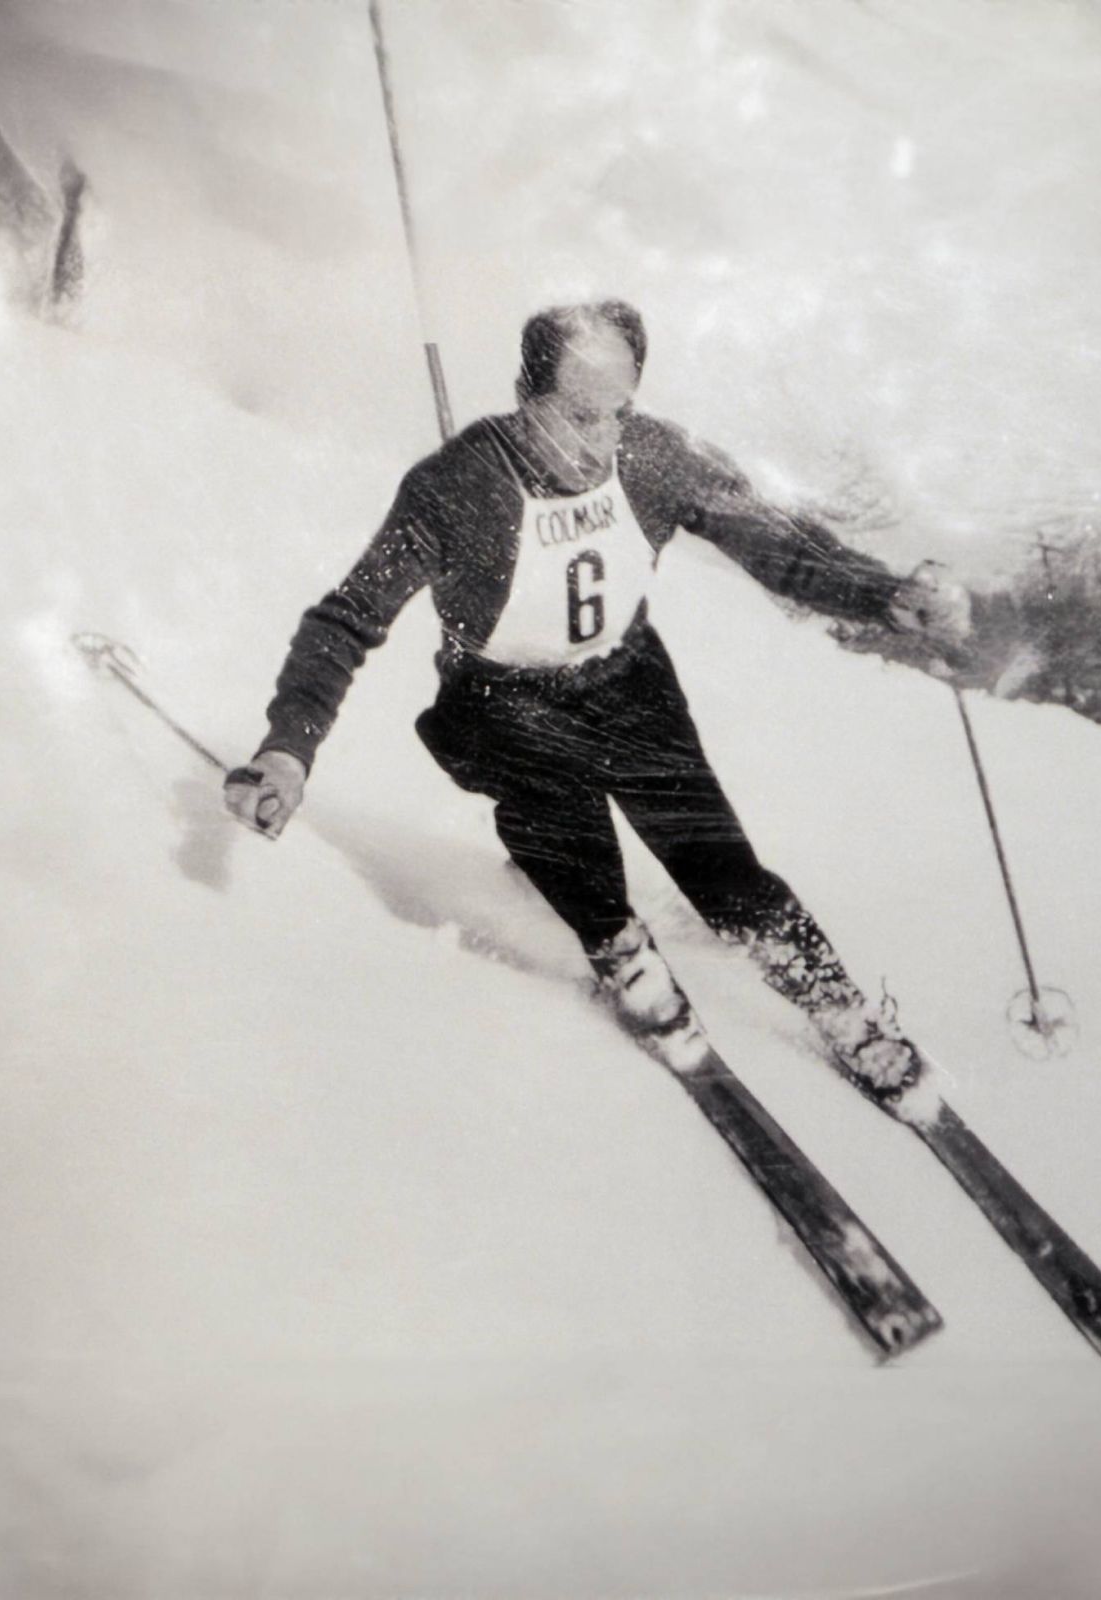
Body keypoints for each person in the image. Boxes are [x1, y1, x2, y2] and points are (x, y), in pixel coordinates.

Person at [225, 300, 971, 1094]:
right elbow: (347, 620)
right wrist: (288, 747)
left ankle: (839, 1007)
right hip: (504, 699)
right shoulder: (456, 486)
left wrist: (887, 598)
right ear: (525, 394)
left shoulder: (654, 455)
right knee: (568, 837)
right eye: (577, 416)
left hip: (626, 681)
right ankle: (620, 950)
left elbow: (778, 543)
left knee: (720, 866)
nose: (599, 440)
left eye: (618, 413)